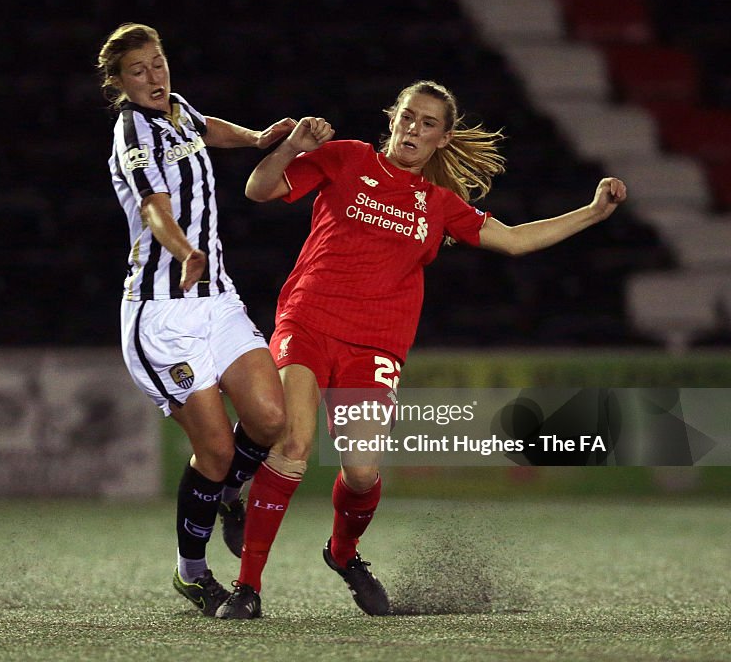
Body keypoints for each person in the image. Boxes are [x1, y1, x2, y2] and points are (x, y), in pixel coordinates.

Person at [215, 80, 628, 619]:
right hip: (309, 322)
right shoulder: (346, 158)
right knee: (294, 442)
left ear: (442, 138)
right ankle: (249, 588)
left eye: (428, 123)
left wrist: (593, 213)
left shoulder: (439, 205)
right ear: (393, 118)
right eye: (408, 117)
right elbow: (259, 189)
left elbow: (517, 240)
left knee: (361, 471)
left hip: (376, 344)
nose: (414, 129)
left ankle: (343, 554)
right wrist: (291, 146)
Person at [97, 23, 311, 617]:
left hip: (216, 299)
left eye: (158, 63)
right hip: (162, 315)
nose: (154, 77)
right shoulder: (131, 130)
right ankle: (192, 573)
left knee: (270, 420)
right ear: (118, 82)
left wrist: (256, 138)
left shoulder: (177, 110)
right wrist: (184, 250)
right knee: (214, 454)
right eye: (138, 71)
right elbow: (154, 207)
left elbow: (204, 127)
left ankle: (229, 495)